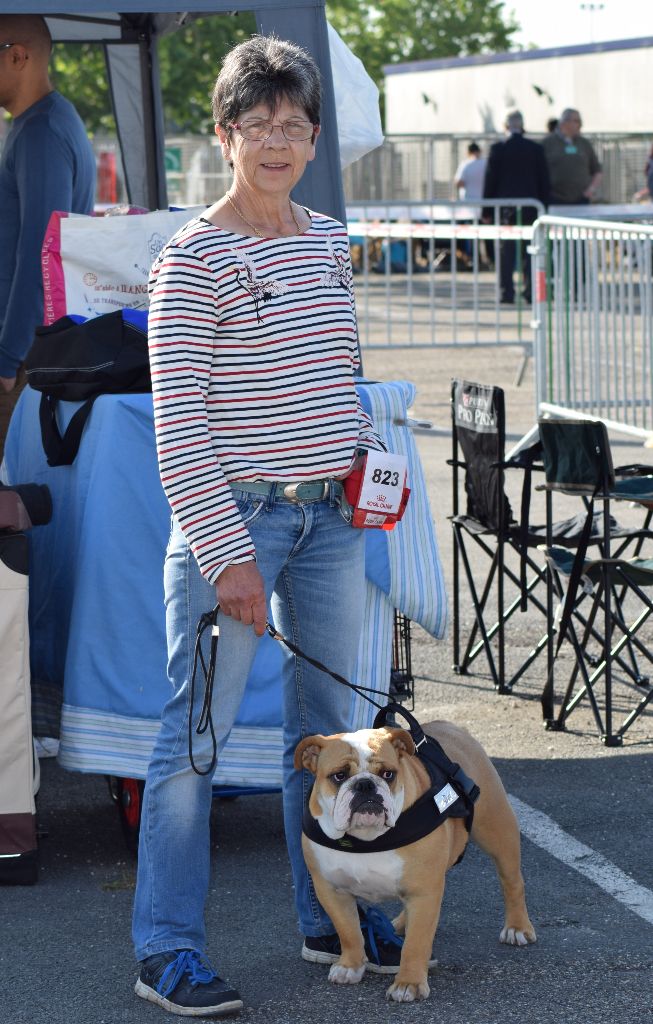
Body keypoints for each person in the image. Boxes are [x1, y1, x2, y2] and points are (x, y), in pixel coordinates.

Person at [132, 34, 393, 1018]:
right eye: (258, 124)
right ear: (224, 134)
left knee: (327, 737)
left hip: (332, 518)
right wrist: (225, 555)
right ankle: (165, 950)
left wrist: (366, 463)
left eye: (293, 124)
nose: (276, 141)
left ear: (314, 137)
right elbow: (178, 429)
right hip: (235, 523)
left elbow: (338, 376)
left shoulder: (326, 239)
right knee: (193, 743)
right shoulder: (190, 260)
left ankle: (328, 920)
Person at [0, 14, 95, 455]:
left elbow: (42, 253)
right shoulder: (38, 124)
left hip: (22, 357)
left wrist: (8, 357)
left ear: (18, 56)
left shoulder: (42, 132)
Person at [483, 109, 549, 304]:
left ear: (505, 126)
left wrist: (486, 210)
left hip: (506, 208)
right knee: (532, 250)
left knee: (506, 252)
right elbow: (544, 180)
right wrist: (545, 208)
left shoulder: (498, 149)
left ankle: (506, 292)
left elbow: (490, 181)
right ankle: (531, 291)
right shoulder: (535, 149)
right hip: (532, 207)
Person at [542, 107, 602, 206]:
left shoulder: (584, 144)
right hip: (555, 200)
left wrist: (591, 190)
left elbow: (597, 171)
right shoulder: (547, 143)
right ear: (564, 123)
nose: (580, 125)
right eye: (577, 121)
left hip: (581, 200)